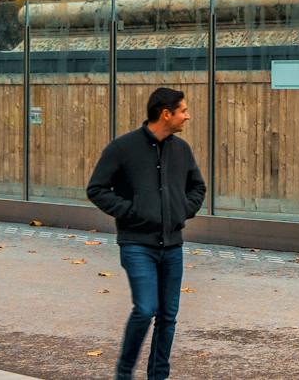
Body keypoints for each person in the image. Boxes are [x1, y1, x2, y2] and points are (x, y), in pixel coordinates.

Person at [87, 86, 207, 380]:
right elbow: (97, 189)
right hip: (137, 244)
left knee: (167, 317)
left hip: (173, 247)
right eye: (183, 111)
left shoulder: (181, 150)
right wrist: (132, 212)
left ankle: (158, 375)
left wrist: (181, 210)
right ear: (166, 114)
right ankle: (124, 372)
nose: (187, 116)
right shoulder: (123, 148)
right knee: (145, 308)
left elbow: (197, 187)